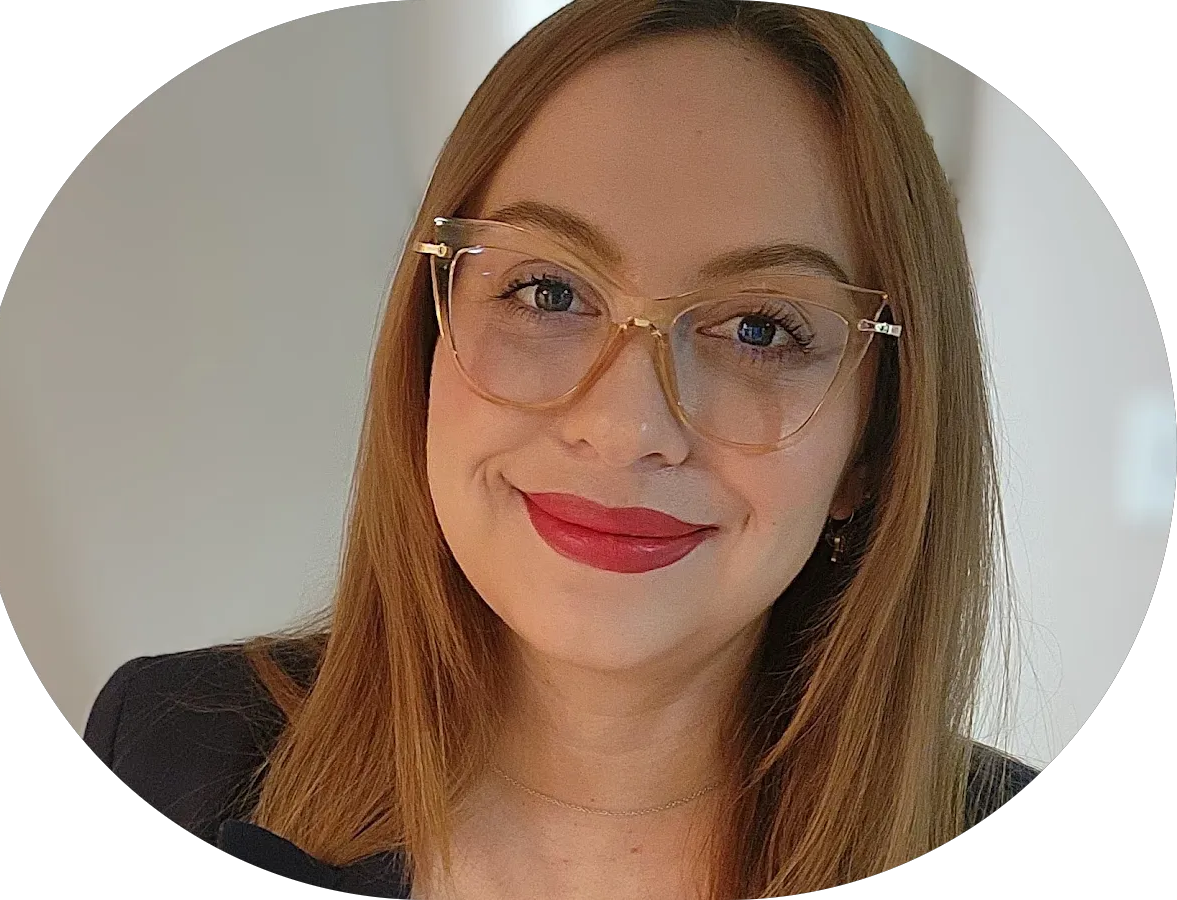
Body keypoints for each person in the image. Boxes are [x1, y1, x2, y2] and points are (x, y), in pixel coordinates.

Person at [82, 2, 1039, 898]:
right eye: (548, 292)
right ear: (427, 339)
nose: (625, 428)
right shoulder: (167, 751)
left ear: (875, 439)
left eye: (759, 330)